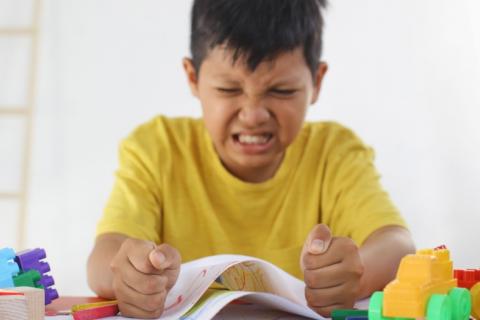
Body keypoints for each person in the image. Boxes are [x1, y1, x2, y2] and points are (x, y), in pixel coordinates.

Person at [87, 0, 415, 318]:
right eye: (229, 90)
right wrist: (129, 276)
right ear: (192, 78)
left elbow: (397, 244)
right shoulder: (155, 150)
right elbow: (103, 259)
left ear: (316, 82)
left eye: (282, 91)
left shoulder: (335, 153)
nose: (253, 116)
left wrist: (357, 271)